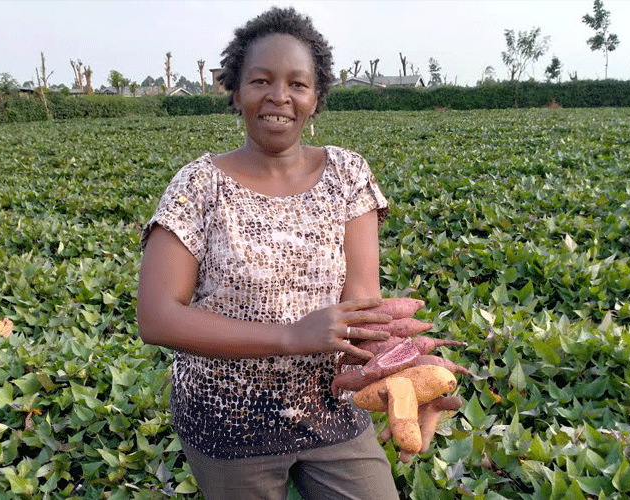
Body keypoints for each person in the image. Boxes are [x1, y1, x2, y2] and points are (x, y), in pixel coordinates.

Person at [137, 7, 448, 499]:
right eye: (260, 80)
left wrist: (407, 379)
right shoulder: (198, 185)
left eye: (297, 84)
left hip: (332, 405)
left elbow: (364, 303)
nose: (279, 96)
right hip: (228, 417)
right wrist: (290, 335)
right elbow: (156, 318)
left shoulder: (347, 174)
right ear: (235, 91)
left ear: (317, 97)